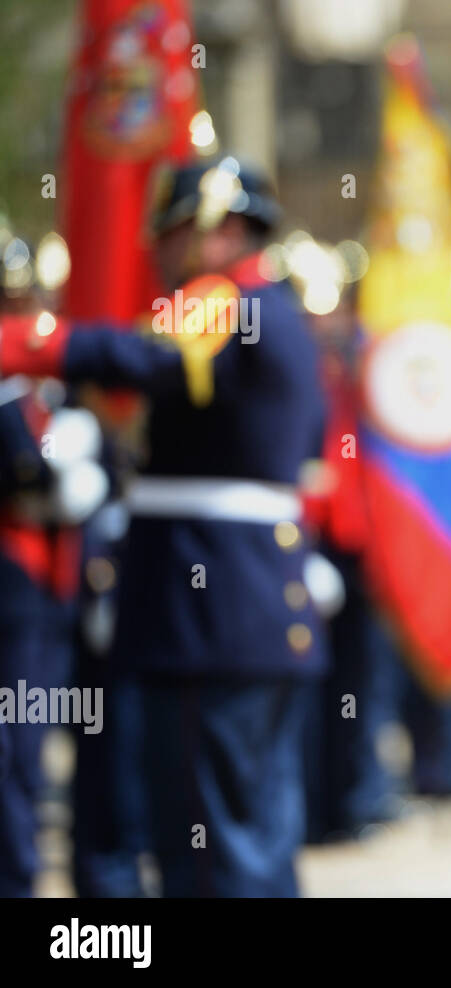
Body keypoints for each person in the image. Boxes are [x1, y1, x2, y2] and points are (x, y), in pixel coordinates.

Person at [0, 156, 328, 896]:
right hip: (250, 604)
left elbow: (145, 357)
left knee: (207, 846)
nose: (158, 246)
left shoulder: (225, 298)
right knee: (255, 835)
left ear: (220, 228)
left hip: (206, 608)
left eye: (176, 228)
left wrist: (27, 342)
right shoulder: (273, 308)